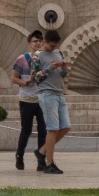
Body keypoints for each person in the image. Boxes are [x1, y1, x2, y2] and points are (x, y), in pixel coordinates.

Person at [33, 29, 70, 174]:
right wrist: (49, 68)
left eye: (55, 45)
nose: (53, 48)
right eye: (51, 46)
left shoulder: (58, 53)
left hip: (60, 93)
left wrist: (65, 69)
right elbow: (34, 78)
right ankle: (49, 163)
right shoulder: (37, 55)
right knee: (53, 128)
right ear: (44, 41)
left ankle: (42, 151)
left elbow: (63, 75)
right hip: (47, 94)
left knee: (66, 126)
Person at [10, 30, 47, 171]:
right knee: (26, 129)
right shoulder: (22, 59)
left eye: (40, 41)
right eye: (35, 41)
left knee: (43, 130)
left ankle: (41, 160)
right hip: (27, 99)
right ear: (29, 44)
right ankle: (19, 155)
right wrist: (26, 82)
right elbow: (14, 78)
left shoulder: (45, 58)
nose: (38, 43)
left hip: (42, 99)